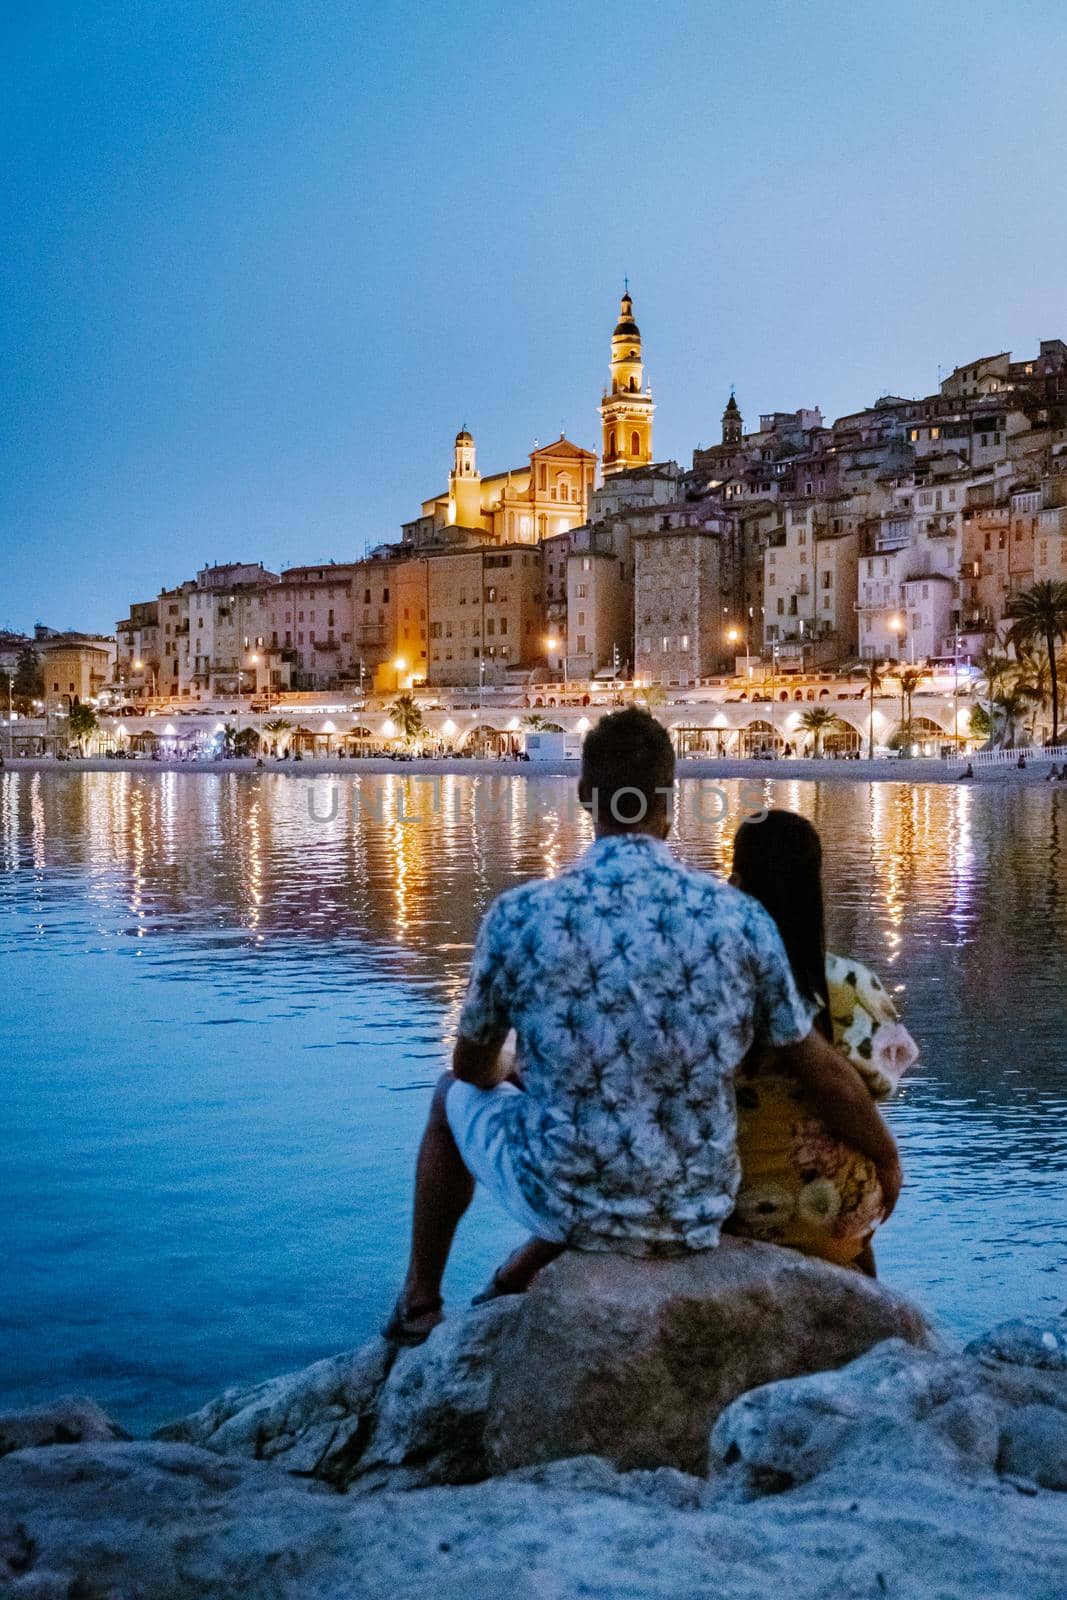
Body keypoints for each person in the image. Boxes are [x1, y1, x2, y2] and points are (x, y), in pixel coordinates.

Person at [384, 709, 902, 1345]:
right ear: (670, 803)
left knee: (448, 1096)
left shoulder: (519, 914)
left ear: (583, 796)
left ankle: (418, 1305)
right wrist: (887, 1157)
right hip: (697, 1206)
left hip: (568, 1203)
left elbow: (470, 1069)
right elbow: (817, 1066)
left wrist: (514, 1069)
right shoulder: (738, 920)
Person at [727, 811, 918, 1273]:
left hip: (728, 1200)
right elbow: (881, 1083)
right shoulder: (848, 985)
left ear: (736, 881)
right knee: (855, 1214)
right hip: (826, 1204)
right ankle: (871, 1309)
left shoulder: (710, 986)